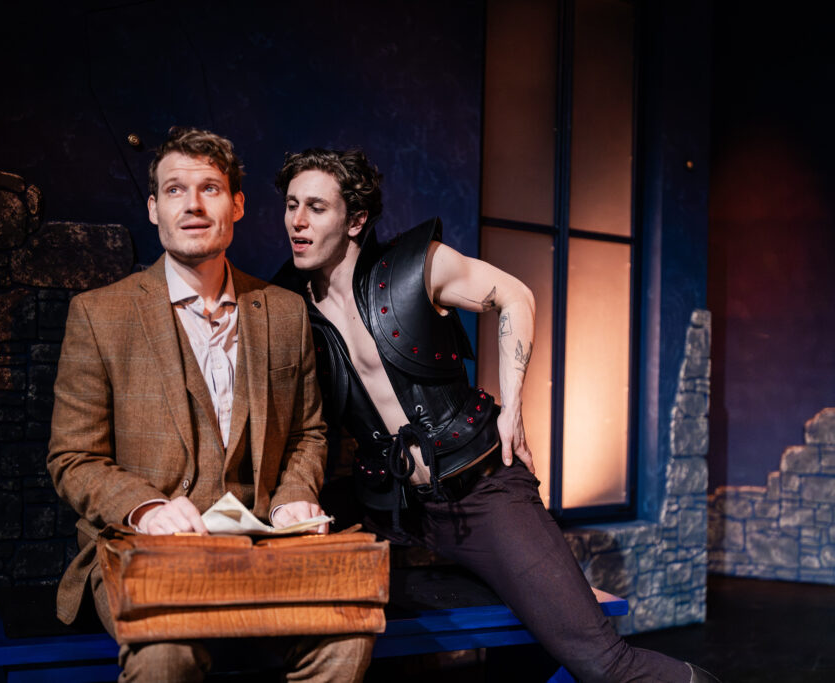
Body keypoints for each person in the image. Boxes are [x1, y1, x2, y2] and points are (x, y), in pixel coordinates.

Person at [273, 148, 719, 683]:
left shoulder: (416, 266)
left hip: (481, 492)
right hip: (390, 506)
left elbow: (515, 295)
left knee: (603, 663)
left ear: (356, 219)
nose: (297, 221)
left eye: (316, 207)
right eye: (292, 205)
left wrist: (513, 409)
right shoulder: (286, 302)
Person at [46, 129, 373, 682]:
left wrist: (293, 498)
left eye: (210, 189)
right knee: (165, 651)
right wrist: (147, 508)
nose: (193, 205)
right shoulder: (99, 315)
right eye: (175, 190)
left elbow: (309, 433)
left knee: (348, 633)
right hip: (145, 550)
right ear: (154, 209)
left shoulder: (284, 311)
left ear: (237, 205)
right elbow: (73, 458)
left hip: (262, 547)